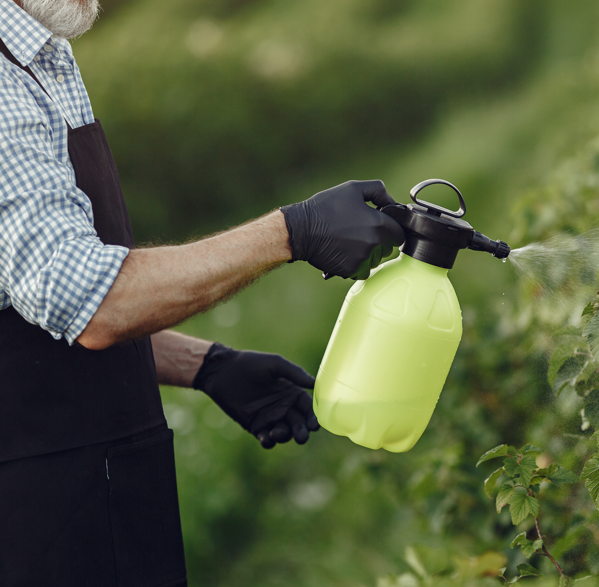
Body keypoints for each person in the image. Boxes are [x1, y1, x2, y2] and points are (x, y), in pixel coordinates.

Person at [0, 0, 406, 584]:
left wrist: (206, 365)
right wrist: (291, 232)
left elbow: (37, 304)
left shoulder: (44, 56)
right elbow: (98, 301)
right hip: (35, 521)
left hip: (105, 492)